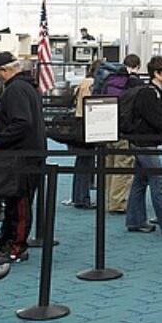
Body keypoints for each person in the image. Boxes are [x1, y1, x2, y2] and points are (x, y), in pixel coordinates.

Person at [0, 52, 46, 265]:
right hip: (27, 154)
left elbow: (21, 123)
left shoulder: (16, 90)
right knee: (14, 201)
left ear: (4, 71)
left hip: (22, 156)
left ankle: (17, 247)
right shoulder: (28, 87)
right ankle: (7, 240)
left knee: (20, 203)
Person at [126, 56, 162, 235]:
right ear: (156, 74)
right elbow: (158, 120)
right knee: (158, 181)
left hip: (143, 141)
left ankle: (135, 221)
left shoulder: (158, 91)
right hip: (144, 142)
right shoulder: (149, 93)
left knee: (141, 181)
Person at [104, 54, 145, 213]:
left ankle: (107, 198)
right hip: (125, 130)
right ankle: (117, 202)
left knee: (109, 163)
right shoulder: (135, 83)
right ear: (138, 66)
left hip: (107, 126)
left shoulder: (110, 79)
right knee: (123, 166)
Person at [64, 59, 99, 210]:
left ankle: (78, 196)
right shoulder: (92, 84)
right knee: (86, 163)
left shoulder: (82, 82)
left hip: (79, 123)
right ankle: (82, 198)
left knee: (81, 163)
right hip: (88, 124)